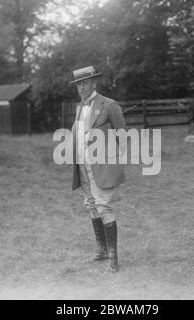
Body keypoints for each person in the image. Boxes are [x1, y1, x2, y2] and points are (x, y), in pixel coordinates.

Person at [70, 65, 126, 273]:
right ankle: (102, 249)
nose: (81, 87)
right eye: (78, 84)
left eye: (84, 83)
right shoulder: (79, 108)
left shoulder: (109, 105)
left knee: (104, 206)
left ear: (94, 82)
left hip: (101, 165)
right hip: (83, 165)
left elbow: (122, 136)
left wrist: (110, 160)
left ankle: (113, 256)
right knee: (91, 205)